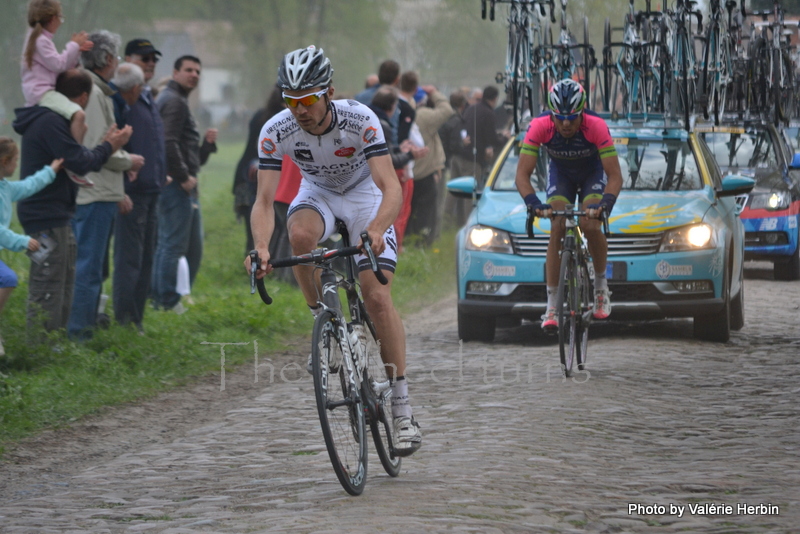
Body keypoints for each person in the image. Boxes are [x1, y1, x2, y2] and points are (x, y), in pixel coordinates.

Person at [248, 46, 422, 456]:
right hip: (319, 194)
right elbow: (263, 201)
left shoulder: (360, 118)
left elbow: (390, 186)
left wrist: (378, 228)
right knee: (301, 237)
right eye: (291, 101)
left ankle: (401, 409)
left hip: (365, 197)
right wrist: (259, 248)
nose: (299, 110)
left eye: (307, 99)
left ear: (328, 91)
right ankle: (323, 324)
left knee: (378, 298)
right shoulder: (276, 130)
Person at [13, 68, 131, 332]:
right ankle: (37, 350)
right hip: (44, 217)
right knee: (48, 284)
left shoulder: (56, 120)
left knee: (65, 282)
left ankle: (55, 345)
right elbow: (78, 162)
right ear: (83, 98)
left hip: (58, 214)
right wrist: (109, 146)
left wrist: (103, 147)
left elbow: (77, 157)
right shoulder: (51, 122)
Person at [514, 79, 623, 330]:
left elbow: (614, 176)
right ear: (551, 114)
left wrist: (605, 204)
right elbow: (522, 175)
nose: (565, 124)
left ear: (582, 112)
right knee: (557, 225)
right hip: (561, 174)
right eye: (559, 117)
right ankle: (552, 304)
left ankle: (600, 287)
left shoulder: (595, 125)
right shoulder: (540, 126)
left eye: (572, 118)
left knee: (590, 223)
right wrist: (534, 203)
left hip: (592, 174)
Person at [68, 31, 144, 340]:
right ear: (108, 59)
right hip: (94, 191)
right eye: (116, 57)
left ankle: (82, 329)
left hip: (94, 190)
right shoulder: (94, 93)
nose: (118, 63)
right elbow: (99, 147)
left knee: (90, 265)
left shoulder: (93, 88)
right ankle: (79, 334)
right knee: (88, 267)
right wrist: (129, 160)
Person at [151, 55, 217, 313]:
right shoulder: (174, 102)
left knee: (176, 245)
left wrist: (206, 147)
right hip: (176, 187)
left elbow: (188, 154)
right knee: (173, 246)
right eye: (188, 70)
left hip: (179, 184)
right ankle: (166, 301)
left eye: (198, 71)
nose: (194, 75)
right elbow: (167, 143)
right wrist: (183, 177)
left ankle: (161, 298)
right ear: (175, 72)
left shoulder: (174, 100)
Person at [114, 39, 167, 332]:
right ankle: (124, 322)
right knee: (129, 261)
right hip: (131, 195)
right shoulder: (122, 100)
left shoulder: (146, 96)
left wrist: (161, 174)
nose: (150, 63)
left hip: (152, 191)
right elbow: (113, 147)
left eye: (153, 59)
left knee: (146, 260)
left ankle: (137, 320)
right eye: (144, 58)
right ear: (127, 60)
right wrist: (120, 188)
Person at [20, 0, 94, 187]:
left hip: (44, 92)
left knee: (82, 127)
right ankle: (74, 164)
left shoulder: (38, 39)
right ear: (53, 19)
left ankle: (73, 156)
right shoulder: (40, 41)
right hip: (42, 94)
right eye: (60, 18)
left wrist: (76, 51)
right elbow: (58, 65)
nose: (61, 22)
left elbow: (61, 66)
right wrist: (72, 45)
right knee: (79, 114)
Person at [0, 138, 63, 355]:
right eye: (15, 160)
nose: (17, 165)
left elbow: (28, 186)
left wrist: (51, 170)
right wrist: (22, 241)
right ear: (4, 161)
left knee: (7, 279)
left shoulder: (5, 187)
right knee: (7, 279)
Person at [407, 85, 454, 245]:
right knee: (427, 211)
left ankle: (409, 241)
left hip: (410, 169)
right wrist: (434, 92)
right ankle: (423, 242)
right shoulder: (424, 115)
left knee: (410, 209)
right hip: (425, 170)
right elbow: (447, 110)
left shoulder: (405, 113)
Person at [463, 85, 509, 188]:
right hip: (476, 157)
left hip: (464, 152)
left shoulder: (472, 108)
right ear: (495, 99)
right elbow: (492, 139)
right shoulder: (488, 113)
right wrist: (505, 138)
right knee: (473, 191)